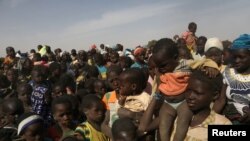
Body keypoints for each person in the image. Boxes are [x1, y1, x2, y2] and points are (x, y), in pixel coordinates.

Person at [171, 70, 231, 140]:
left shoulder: (222, 124)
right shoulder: (176, 115)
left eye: (198, 93)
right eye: (188, 90)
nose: (190, 96)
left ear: (215, 95)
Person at [213, 34, 250, 124]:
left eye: (241, 57)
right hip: (229, 119)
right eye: (234, 57)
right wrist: (210, 118)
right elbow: (221, 100)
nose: (236, 61)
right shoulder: (228, 72)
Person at [101, 65, 123, 138]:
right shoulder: (107, 97)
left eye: (117, 79)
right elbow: (105, 122)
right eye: (111, 81)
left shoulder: (131, 95)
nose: (115, 83)